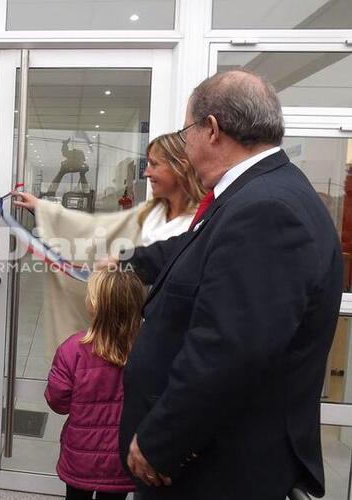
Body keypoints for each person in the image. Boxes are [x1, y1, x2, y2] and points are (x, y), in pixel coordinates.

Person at [114, 70, 342, 499]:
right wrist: (126, 258)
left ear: (212, 130)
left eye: (187, 132)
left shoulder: (268, 210)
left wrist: (161, 440)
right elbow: (196, 252)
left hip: (214, 468)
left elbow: (228, 350)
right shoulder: (257, 194)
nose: (185, 145)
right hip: (207, 457)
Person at [14, 133, 205, 353]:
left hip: (171, 338)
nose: (146, 172)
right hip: (133, 334)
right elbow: (94, 229)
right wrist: (41, 207)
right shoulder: (150, 213)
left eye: (154, 164)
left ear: (179, 167)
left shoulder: (200, 223)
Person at [45, 269, 142, 500]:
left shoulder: (73, 349)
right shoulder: (145, 350)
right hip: (122, 454)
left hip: (81, 455)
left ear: (94, 306)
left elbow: (58, 401)